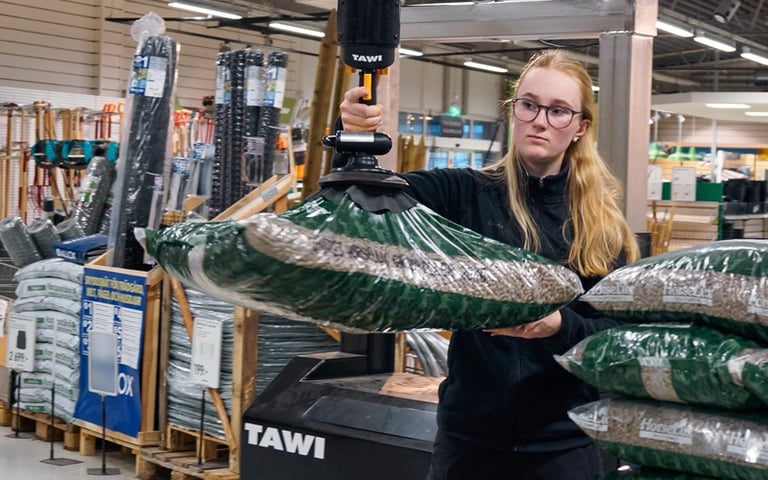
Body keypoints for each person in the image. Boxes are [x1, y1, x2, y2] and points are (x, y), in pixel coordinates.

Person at [338, 49, 641, 480]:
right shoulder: (464, 193)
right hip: (469, 445)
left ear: (580, 127)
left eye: (558, 111)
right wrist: (352, 138)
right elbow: (363, 199)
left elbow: (618, 341)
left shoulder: (601, 229)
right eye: (529, 104)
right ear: (514, 110)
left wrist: (559, 327)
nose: (539, 120)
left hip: (562, 447)